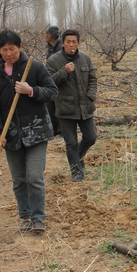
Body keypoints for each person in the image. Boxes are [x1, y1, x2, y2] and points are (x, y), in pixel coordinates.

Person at [0, 29, 58, 233]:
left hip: (37, 132)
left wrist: (31, 91)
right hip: (11, 135)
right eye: (4, 50)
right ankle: (25, 216)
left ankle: (38, 219)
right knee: (19, 179)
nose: (9, 53)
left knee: (34, 176)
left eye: (12, 49)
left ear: (20, 47)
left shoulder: (33, 68)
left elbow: (53, 92)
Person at [46, 29, 98, 183]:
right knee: (71, 143)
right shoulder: (53, 61)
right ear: (62, 43)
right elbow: (47, 82)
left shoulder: (85, 59)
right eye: (68, 41)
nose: (71, 45)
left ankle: (77, 157)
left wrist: (91, 96)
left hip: (85, 107)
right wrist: (64, 72)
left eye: (74, 41)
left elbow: (93, 78)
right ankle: (76, 173)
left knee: (91, 137)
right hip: (65, 109)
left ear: (78, 43)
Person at [44, 25, 63, 137]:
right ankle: (54, 130)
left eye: (45, 34)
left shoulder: (60, 47)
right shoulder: (50, 47)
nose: (44, 36)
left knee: (59, 105)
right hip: (50, 79)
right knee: (49, 104)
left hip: (60, 78)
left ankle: (61, 131)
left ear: (49, 36)